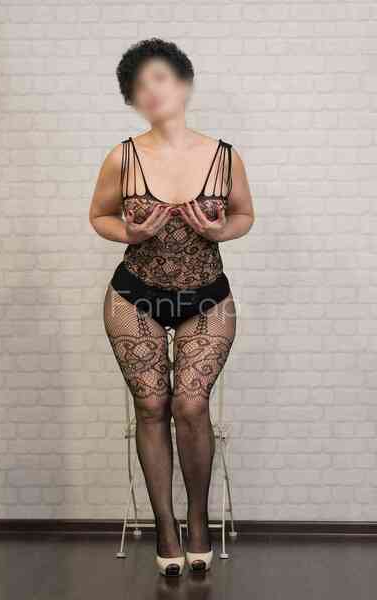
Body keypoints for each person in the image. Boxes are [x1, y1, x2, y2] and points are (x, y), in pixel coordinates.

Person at [89, 38, 254, 576]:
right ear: (132, 99)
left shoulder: (224, 156)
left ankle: (197, 517)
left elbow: (244, 215)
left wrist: (221, 230)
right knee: (151, 407)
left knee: (190, 405)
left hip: (207, 299)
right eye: (139, 85)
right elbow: (99, 216)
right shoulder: (123, 156)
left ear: (184, 83)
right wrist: (129, 232)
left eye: (159, 78)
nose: (151, 91)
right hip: (133, 297)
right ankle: (165, 526)